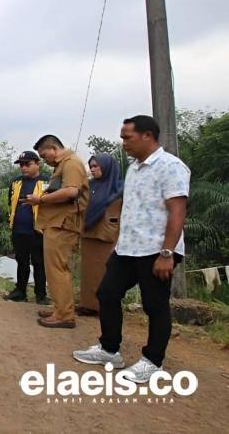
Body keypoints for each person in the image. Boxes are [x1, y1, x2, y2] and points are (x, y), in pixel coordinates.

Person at [73, 116, 190, 383]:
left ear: (147, 135)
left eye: (128, 137)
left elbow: (177, 212)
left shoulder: (170, 167)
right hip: (128, 248)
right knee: (106, 292)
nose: (123, 142)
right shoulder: (134, 168)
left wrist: (167, 253)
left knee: (155, 304)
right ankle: (109, 350)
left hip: (157, 249)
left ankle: (152, 361)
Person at [23, 135, 89, 329]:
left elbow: (71, 192)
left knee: (58, 269)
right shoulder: (62, 166)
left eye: (44, 155)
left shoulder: (71, 163)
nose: (44, 160)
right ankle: (60, 309)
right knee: (54, 269)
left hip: (64, 224)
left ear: (53, 148)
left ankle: (65, 315)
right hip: (56, 223)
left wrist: (40, 200)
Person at [78, 154, 123, 317]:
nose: (93, 169)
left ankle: (102, 307)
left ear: (107, 166)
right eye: (91, 166)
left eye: (96, 166)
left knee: (104, 272)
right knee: (88, 271)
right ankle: (87, 304)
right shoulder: (89, 186)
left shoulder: (119, 188)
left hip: (108, 235)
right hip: (89, 232)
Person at [4, 151, 50, 305]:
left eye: (27, 164)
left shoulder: (46, 181)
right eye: (21, 164)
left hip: (38, 230)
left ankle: (41, 295)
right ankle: (20, 292)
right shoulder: (16, 182)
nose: (24, 167)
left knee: (39, 263)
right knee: (21, 261)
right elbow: (11, 203)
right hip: (18, 229)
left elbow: (52, 204)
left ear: (38, 164)